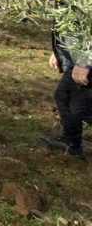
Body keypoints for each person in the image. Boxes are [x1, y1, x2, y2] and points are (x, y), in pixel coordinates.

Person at [38, 28, 91, 159]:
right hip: (78, 56)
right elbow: (66, 24)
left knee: (82, 109)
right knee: (63, 97)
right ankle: (71, 143)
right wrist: (59, 51)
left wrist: (85, 63)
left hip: (86, 59)